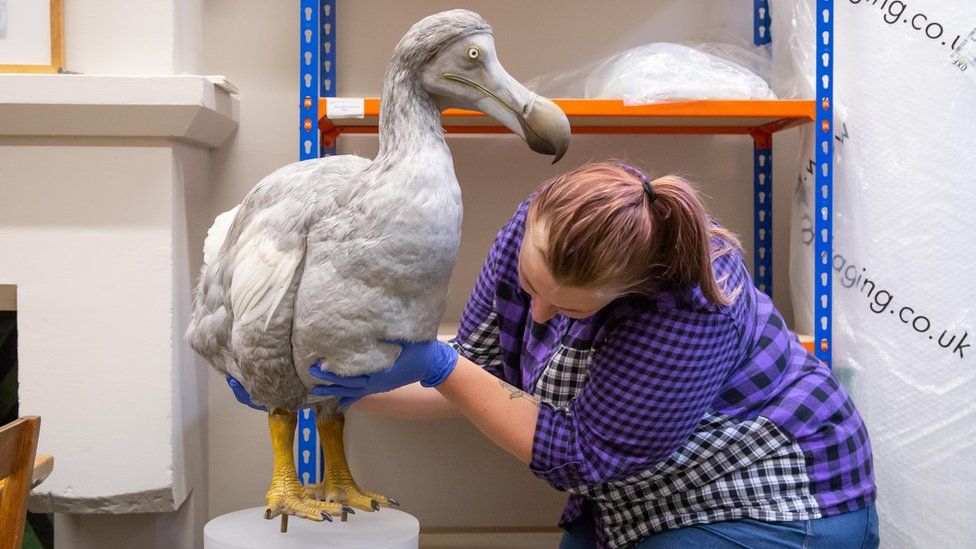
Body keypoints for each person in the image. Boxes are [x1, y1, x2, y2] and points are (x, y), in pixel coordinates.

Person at [230, 161, 878, 548]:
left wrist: (434, 360)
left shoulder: (694, 303)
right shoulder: (531, 231)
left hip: (776, 499)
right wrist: (327, 383)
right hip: (642, 493)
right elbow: (471, 376)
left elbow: (576, 452)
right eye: (531, 287)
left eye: (565, 309)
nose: (535, 315)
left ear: (631, 291)